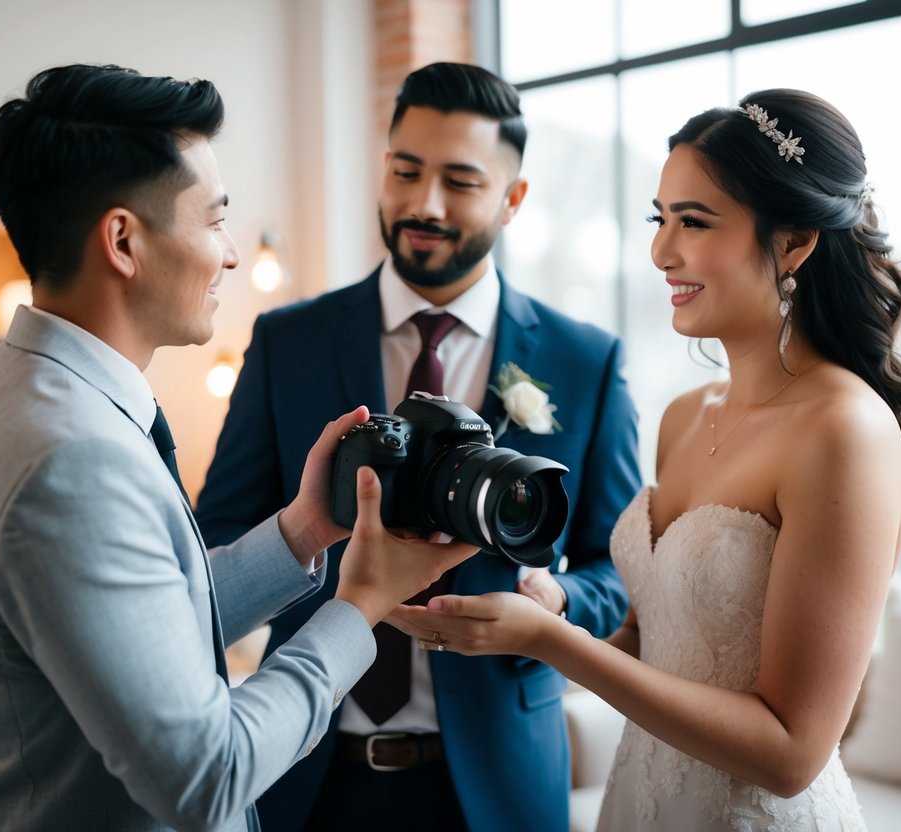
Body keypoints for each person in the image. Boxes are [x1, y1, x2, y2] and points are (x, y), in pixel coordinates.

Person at [0, 63, 478, 832]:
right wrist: (361, 605)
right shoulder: (69, 460)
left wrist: (303, 530)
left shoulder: (11, 393)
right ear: (123, 240)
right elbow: (207, 778)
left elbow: (138, 627)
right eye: (214, 219)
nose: (230, 255)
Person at [389, 88, 901, 831]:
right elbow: (663, 646)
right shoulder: (684, 417)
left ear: (792, 242)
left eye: (693, 222)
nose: (660, 252)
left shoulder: (842, 432)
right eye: (659, 218)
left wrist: (550, 642)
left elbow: (790, 752)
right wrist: (534, 612)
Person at [194, 62, 642, 831]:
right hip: (307, 775)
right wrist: (316, 553)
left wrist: (558, 598)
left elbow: (621, 570)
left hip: (498, 786)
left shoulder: (583, 359)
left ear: (513, 199)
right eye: (404, 171)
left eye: (460, 182)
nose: (422, 204)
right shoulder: (286, 341)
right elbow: (218, 540)